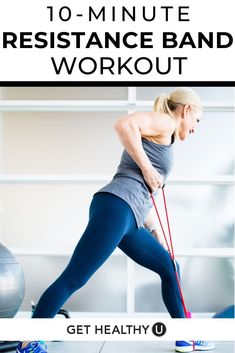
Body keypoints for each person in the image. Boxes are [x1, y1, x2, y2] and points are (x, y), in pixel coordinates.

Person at [17, 88, 215, 353]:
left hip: (129, 215)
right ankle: (28, 341)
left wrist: (155, 230)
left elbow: (143, 191)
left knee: (170, 268)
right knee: (74, 278)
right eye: (198, 120)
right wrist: (148, 169)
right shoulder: (165, 122)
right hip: (116, 207)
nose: (195, 128)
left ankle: (184, 337)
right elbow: (123, 125)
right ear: (187, 110)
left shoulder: (165, 136)